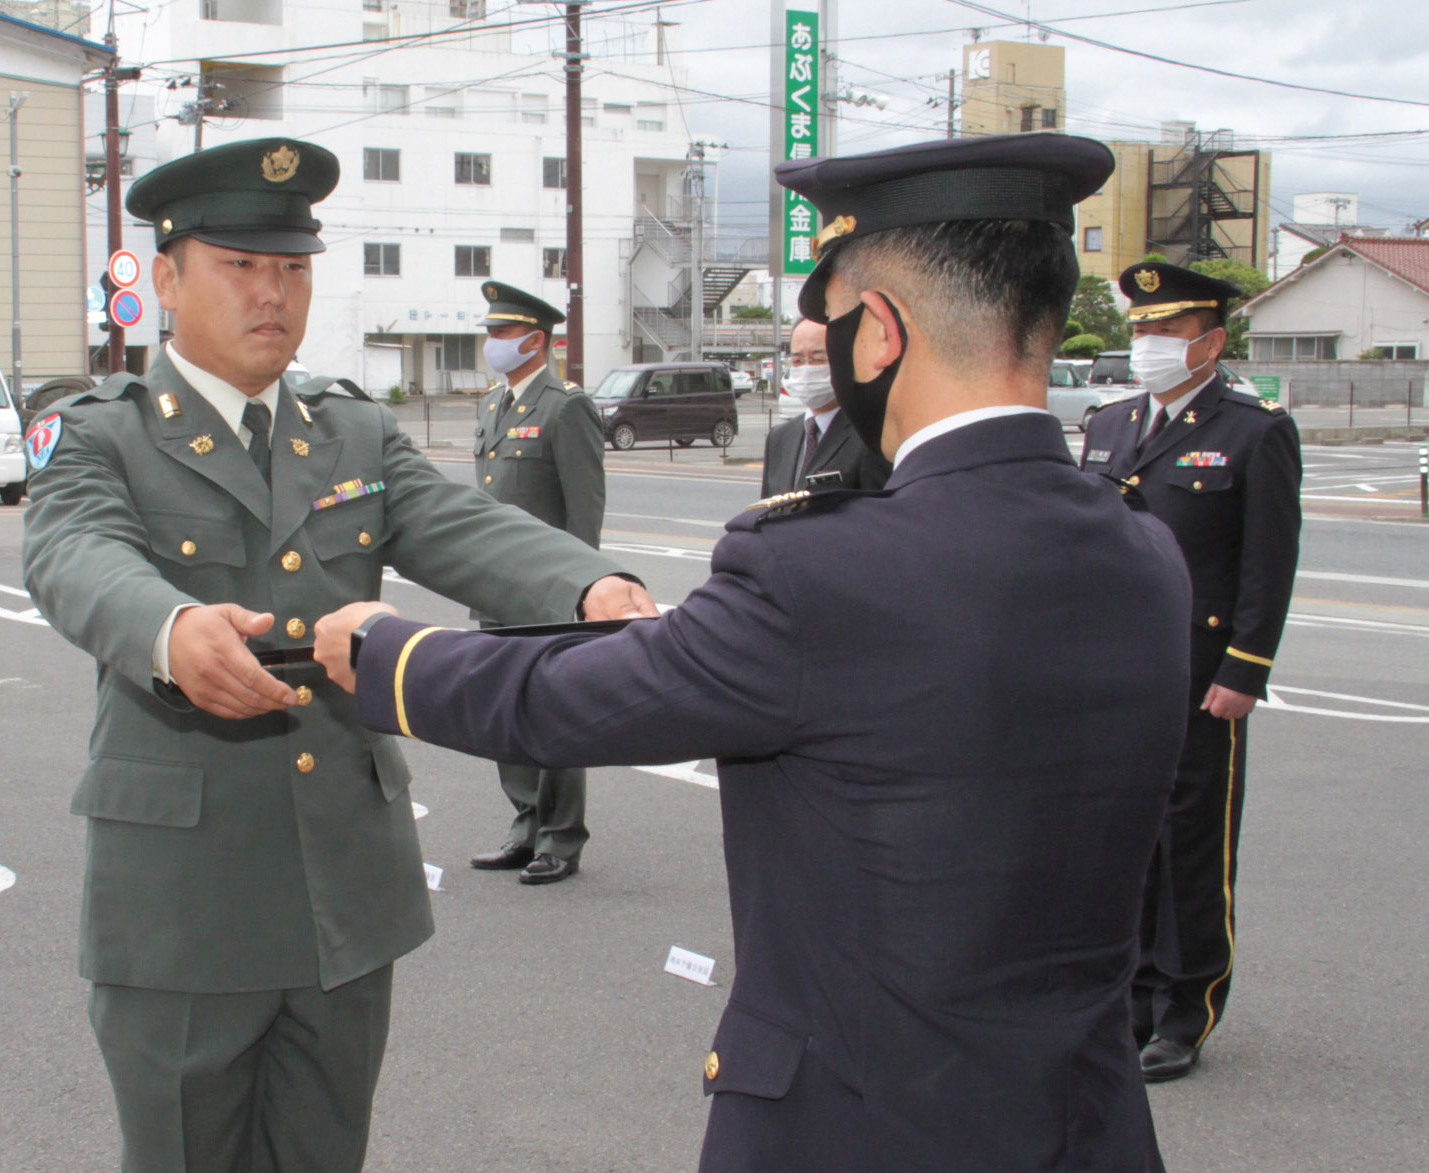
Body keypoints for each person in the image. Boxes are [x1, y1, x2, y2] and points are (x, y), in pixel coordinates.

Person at [316, 132, 1192, 1171]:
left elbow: (565, 702)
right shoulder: (1143, 547)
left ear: (880, 336)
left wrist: (387, 652)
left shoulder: (829, 571)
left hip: (858, 1129)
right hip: (1083, 1125)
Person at [20, 137, 653, 1173]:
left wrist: (588, 588)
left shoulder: (349, 431)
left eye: (294, 269)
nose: (274, 294)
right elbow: (74, 553)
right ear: (169, 278)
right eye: (242, 267)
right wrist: (169, 630)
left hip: (344, 898)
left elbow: (464, 525)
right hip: (184, 903)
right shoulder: (101, 433)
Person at [1080, 261, 1302, 1082]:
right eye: (1138, 331)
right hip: (1115, 675)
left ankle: (1184, 1006)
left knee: (1190, 846)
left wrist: (1245, 667)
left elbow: (1266, 563)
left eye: (1163, 332)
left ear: (1209, 340)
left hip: (1200, 673)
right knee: (1121, 840)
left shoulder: (1253, 428)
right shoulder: (1109, 423)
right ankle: (1127, 997)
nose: (1146, 346)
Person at [468, 281, 605, 884]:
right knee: (506, 713)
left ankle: (561, 838)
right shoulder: (493, 404)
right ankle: (524, 826)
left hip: (549, 591)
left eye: (503, 333)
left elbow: (584, 511)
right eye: (490, 333)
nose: (493, 343)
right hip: (497, 586)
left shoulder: (566, 405)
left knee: (554, 713)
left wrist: (581, 588)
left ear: (536, 340)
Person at [760, 317, 890, 496]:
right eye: (798, 361)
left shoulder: (871, 437)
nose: (807, 369)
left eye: (819, 359)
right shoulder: (779, 437)